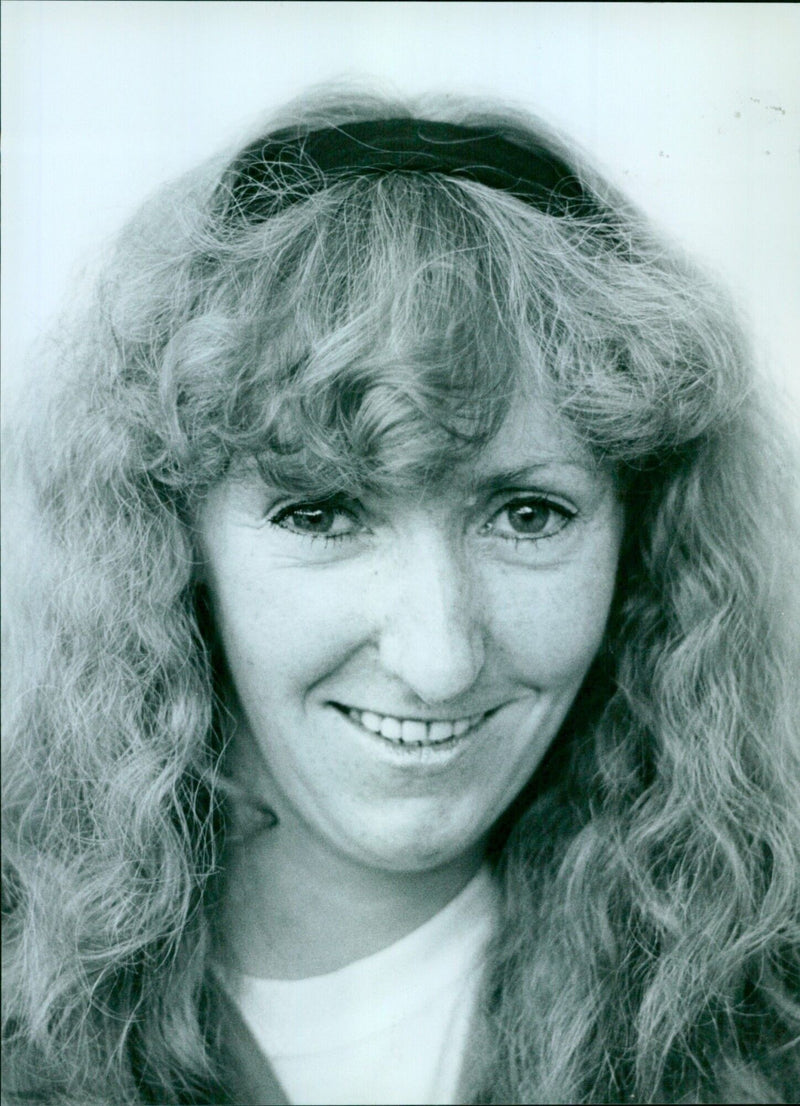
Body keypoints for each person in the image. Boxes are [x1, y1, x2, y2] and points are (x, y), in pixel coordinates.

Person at [3, 86, 799, 1106]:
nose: (438, 658)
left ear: (640, 543)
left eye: (526, 513)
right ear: (168, 543)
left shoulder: (764, 1025)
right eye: (324, 512)